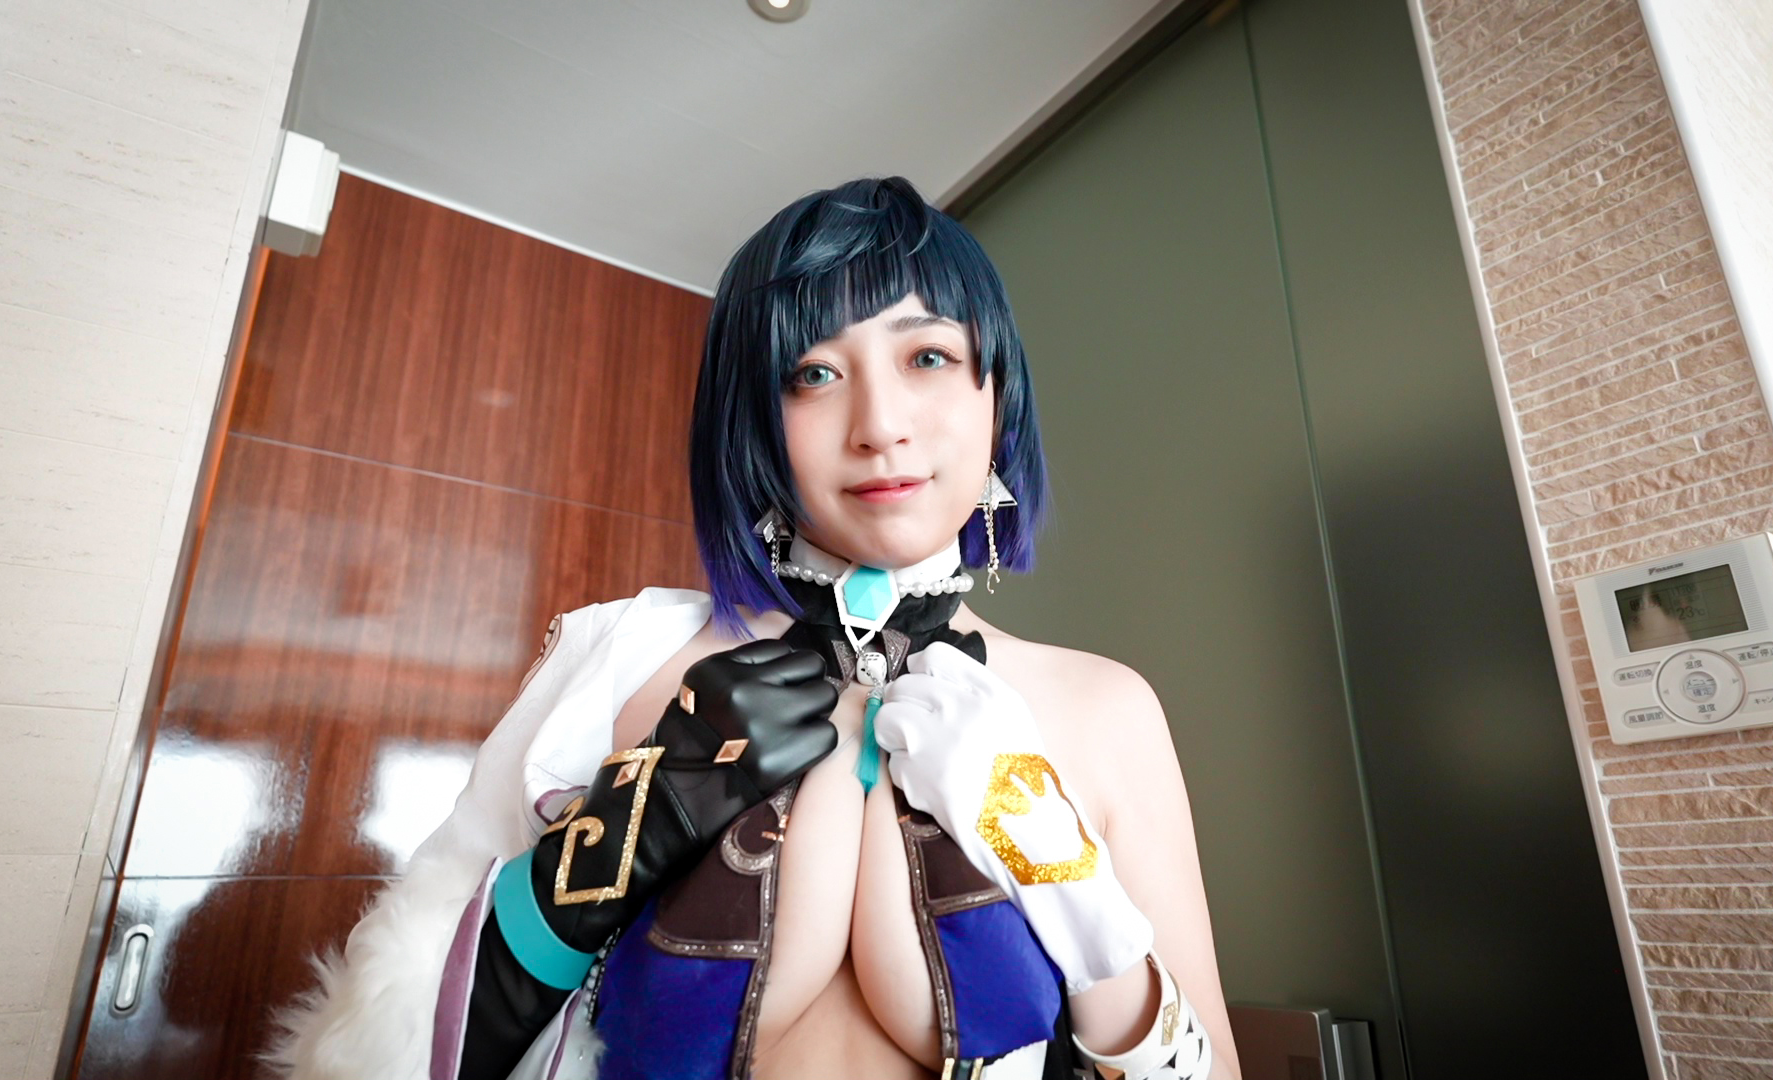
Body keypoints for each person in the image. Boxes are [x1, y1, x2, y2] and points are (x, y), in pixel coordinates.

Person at [268, 176, 1239, 1080]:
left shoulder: (1103, 711)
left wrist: (1067, 885)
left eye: (928, 357)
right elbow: (366, 1055)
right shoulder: (626, 655)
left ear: (999, 396)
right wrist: (623, 834)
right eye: (812, 373)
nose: (880, 424)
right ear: (753, 426)